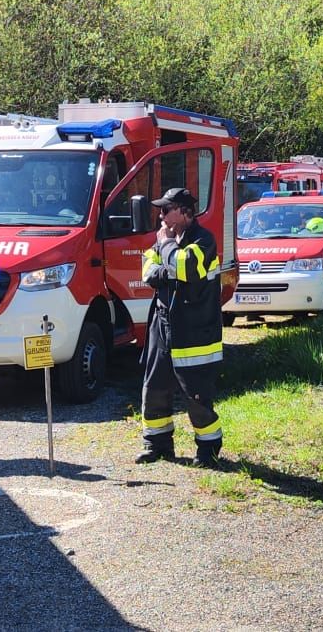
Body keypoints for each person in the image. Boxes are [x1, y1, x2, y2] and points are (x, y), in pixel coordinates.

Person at [138, 187, 226, 467]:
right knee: (154, 387)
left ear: (185, 212)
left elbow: (186, 268)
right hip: (163, 325)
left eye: (166, 210)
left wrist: (166, 247)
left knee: (196, 394)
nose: (161, 216)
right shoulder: (164, 241)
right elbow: (148, 270)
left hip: (195, 330)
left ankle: (208, 449)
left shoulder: (204, 240)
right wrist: (167, 265)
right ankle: (157, 444)